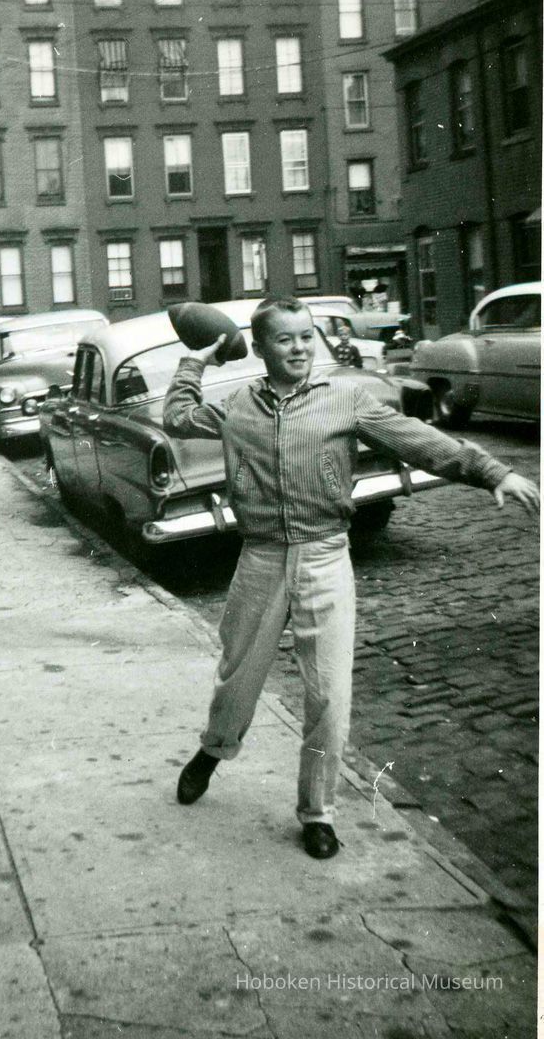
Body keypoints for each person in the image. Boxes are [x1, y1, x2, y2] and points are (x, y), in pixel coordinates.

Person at [163, 296, 539, 861]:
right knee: (237, 679)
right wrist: (201, 358)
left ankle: (317, 812)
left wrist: (492, 472)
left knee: (330, 696)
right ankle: (213, 752)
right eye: (284, 339)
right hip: (261, 560)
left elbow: (420, 440)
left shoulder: (345, 400)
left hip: (324, 556)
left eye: (305, 337)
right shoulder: (238, 406)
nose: (298, 348)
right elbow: (176, 414)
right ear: (260, 347)